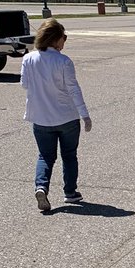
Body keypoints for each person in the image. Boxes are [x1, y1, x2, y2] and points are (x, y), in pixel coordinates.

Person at [20, 18, 92, 213]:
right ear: (55, 39)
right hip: (67, 117)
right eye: (63, 37)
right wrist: (85, 115)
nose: (64, 41)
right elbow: (74, 90)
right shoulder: (64, 61)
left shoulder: (28, 59)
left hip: (41, 118)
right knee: (69, 155)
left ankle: (41, 187)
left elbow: (24, 84)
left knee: (45, 156)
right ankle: (70, 192)